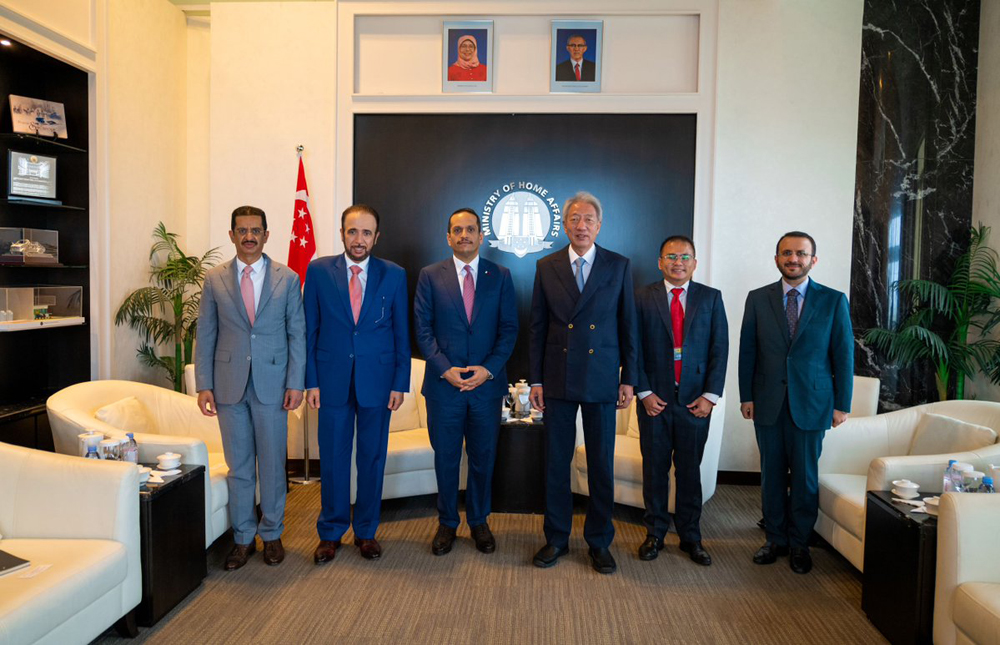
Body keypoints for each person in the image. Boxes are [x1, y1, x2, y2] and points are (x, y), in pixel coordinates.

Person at [528, 191, 638, 574]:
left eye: (589, 219)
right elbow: (538, 327)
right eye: (574, 218)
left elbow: (628, 325)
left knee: (600, 464)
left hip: (602, 377)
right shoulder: (547, 266)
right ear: (564, 225)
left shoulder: (618, 265)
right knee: (556, 463)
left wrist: (629, 378)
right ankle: (556, 538)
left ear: (599, 225)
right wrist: (536, 380)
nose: (581, 225)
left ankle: (599, 541)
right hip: (557, 376)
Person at [195, 205, 306, 570]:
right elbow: (206, 333)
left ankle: (272, 534)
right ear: (231, 235)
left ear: (266, 235)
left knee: (272, 465)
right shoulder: (214, 279)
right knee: (239, 466)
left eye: (255, 230)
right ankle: (243, 538)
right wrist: (203, 384)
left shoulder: (287, 278)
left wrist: (296, 383)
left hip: (273, 385)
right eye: (241, 230)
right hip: (228, 386)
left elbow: (297, 334)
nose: (248, 236)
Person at [738, 231, 853, 574]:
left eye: (801, 253)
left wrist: (842, 404)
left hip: (813, 403)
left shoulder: (833, 300)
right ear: (777, 259)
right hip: (768, 402)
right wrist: (746, 396)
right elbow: (748, 350)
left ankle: (800, 542)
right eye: (786, 253)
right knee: (771, 475)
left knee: (804, 477)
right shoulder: (757, 299)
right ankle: (775, 539)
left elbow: (843, 355)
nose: (793, 259)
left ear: (813, 260)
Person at [304, 204, 410, 563]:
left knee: (372, 458)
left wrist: (399, 383)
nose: (359, 239)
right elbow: (309, 330)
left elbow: (401, 333)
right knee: (333, 459)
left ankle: (366, 531)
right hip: (330, 381)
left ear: (376, 237)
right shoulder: (319, 271)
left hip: (377, 383)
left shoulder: (394, 275)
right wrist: (311, 381)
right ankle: (331, 532)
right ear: (342, 234)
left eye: (366, 232)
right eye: (352, 231)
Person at [413, 208, 518, 556]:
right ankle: (447, 522)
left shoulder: (500, 275)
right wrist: (445, 369)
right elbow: (423, 329)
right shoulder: (430, 276)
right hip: (444, 387)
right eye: (457, 230)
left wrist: (488, 370)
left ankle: (478, 521)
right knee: (445, 458)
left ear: (481, 236)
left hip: (486, 388)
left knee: (482, 458)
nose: (464, 235)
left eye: (470, 229)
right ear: (448, 237)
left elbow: (509, 329)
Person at [635, 235, 728, 566]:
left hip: (695, 403)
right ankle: (655, 533)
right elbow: (633, 348)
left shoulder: (710, 298)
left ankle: (691, 536)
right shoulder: (641, 297)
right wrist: (644, 393)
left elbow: (720, 348)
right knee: (655, 470)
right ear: (660, 262)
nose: (678, 263)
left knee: (689, 471)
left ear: (695, 263)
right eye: (671, 257)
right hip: (654, 402)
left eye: (685, 257)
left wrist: (710, 397)